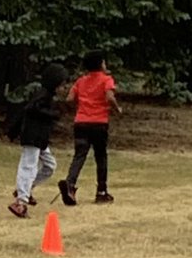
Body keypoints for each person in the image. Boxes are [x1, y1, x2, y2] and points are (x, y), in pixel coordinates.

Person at [58, 50, 122, 206]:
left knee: (79, 154)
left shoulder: (81, 81)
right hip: (99, 122)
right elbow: (109, 96)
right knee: (101, 156)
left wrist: (79, 108)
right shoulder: (106, 79)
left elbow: (69, 99)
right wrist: (117, 109)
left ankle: (70, 184)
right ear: (101, 64)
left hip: (81, 122)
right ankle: (101, 191)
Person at [9, 63, 67, 218]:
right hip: (32, 137)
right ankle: (20, 202)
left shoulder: (47, 97)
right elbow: (31, 109)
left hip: (41, 139)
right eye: (62, 85)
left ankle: (25, 190)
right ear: (54, 84)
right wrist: (52, 114)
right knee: (28, 166)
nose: (64, 88)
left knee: (50, 166)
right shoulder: (41, 97)